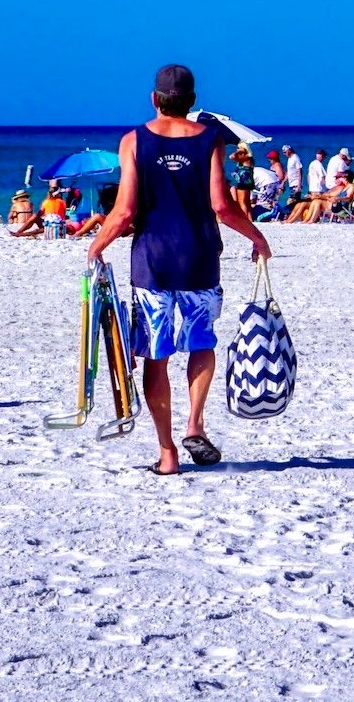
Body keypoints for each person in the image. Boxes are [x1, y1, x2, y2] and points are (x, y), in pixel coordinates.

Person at [87, 62, 270, 477]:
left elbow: (125, 210)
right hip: (200, 258)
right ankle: (195, 424)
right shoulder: (211, 139)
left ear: (154, 99)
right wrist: (258, 238)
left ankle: (168, 452)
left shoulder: (133, 141)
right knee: (201, 343)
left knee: (157, 355)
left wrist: (96, 246)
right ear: (191, 102)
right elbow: (222, 207)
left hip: (153, 261)